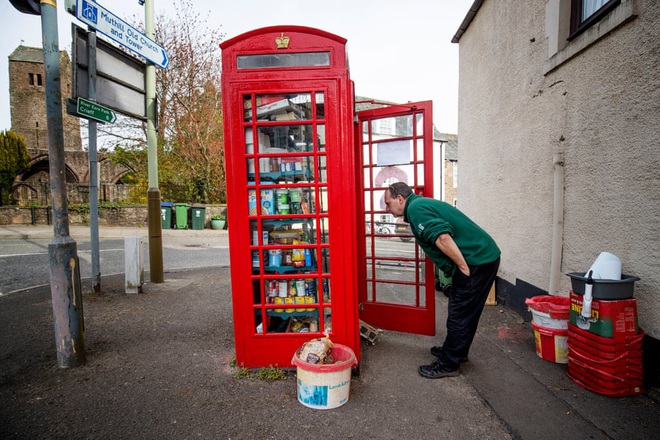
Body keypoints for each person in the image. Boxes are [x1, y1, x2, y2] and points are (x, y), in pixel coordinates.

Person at [384, 182, 501, 379]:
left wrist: (463, 268)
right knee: (467, 312)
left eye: (389, 203)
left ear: (400, 199)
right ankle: (456, 351)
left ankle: (449, 364)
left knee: (459, 313)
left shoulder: (416, 209)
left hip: (476, 261)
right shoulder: (418, 205)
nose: (387, 208)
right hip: (483, 256)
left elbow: (442, 238)